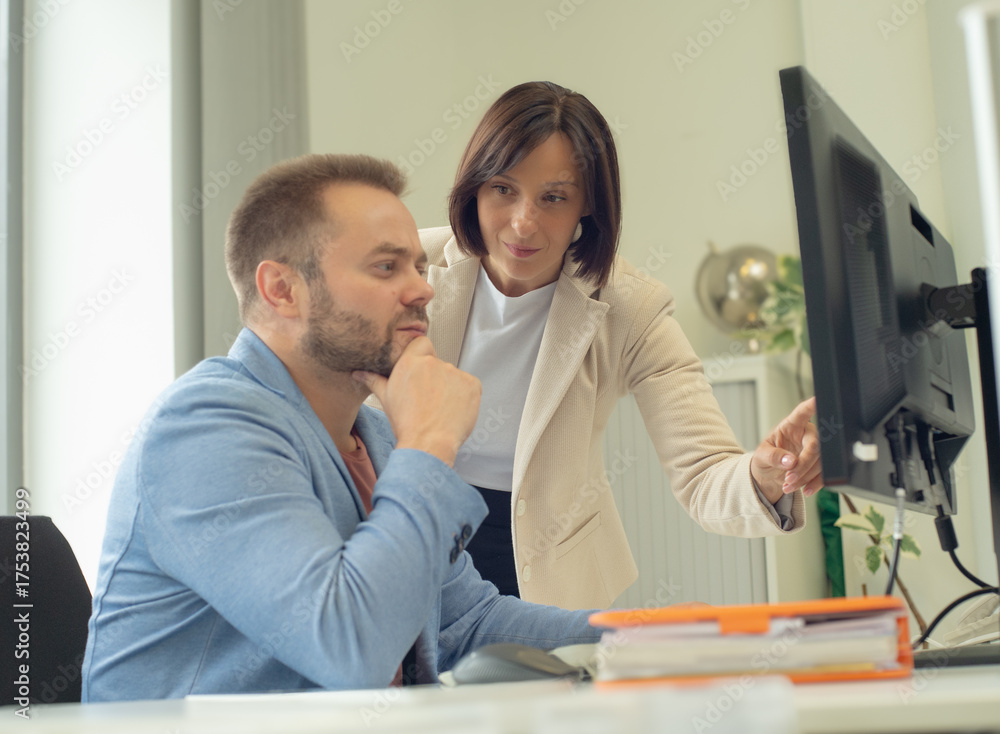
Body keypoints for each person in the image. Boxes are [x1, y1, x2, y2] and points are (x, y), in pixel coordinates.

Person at [81, 154, 601, 702]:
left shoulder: (372, 438)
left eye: (419, 269)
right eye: (386, 267)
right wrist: (430, 442)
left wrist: (648, 631)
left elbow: (467, 623)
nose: (422, 291)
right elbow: (351, 648)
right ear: (282, 289)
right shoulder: (204, 430)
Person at [411, 81, 821, 609]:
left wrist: (764, 478)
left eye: (553, 197)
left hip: (544, 573)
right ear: (474, 188)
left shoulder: (632, 308)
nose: (523, 222)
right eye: (503, 189)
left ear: (588, 206)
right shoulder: (407, 264)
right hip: (410, 546)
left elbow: (703, 473)